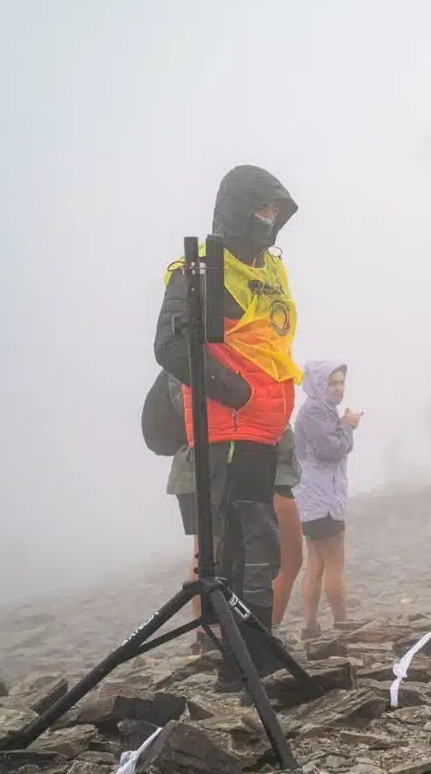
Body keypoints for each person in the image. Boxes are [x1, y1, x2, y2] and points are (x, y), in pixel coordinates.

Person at [154, 164, 301, 690]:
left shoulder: (270, 269)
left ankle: (249, 656)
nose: (267, 219)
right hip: (226, 430)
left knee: (256, 544)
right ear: (236, 208)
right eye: (259, 208)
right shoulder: (196, 272)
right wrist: (234, 391)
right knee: (248, 543)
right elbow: (170, 347)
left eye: (274, 211)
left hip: (262, 429)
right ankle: (245, 664)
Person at [165, 374, 304, 652]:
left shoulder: (184, 361)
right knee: (237, 557)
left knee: (210, 557)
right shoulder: (226, 357)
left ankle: (218, 637)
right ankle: (253, 637)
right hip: (238, 465)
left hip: (203, 469)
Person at [294, 360, 359, 639]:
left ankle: (310, 625)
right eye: (332, 383)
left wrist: (343, 426)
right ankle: (341, 620)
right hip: (323, 500)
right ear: (319, 384)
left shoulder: (318, 410)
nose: (338, 388)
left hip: (314, 500)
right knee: (333, 562)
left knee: (317, 561)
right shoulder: (315, 412)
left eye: (341, 382)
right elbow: (331, 451)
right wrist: (346, 426)